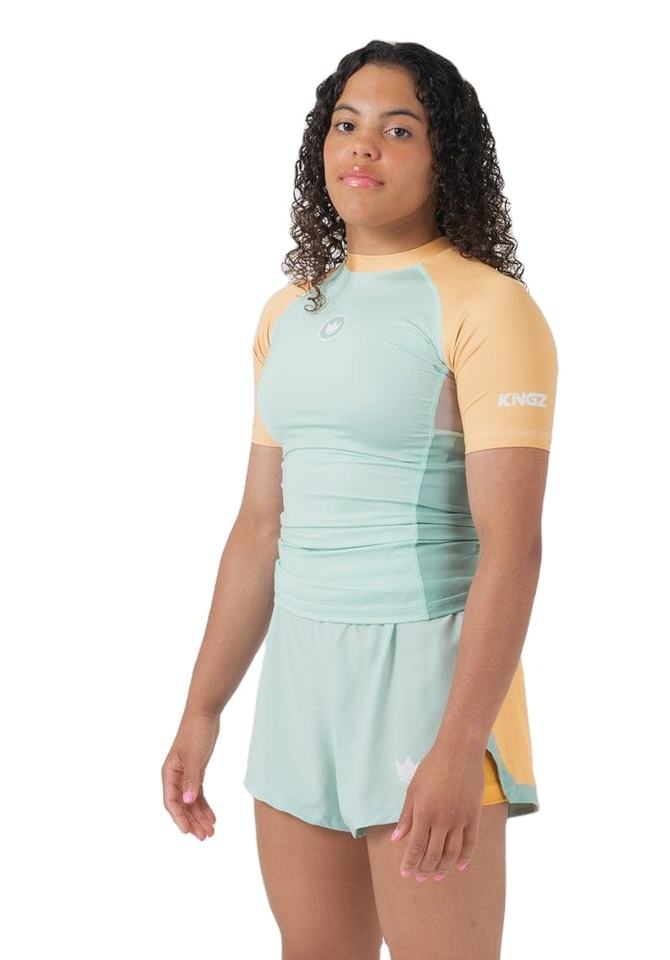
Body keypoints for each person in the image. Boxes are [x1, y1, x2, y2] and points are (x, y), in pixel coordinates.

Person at [162, 40, 558, 960]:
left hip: (429, 685)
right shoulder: (287, 312)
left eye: (399, 129)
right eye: (346, 124)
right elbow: (260, 528)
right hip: (299, 684)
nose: (364, 146)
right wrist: (203, 706)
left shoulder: (489, 308)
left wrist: (459, 746)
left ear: (445, 156)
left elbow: (514, 547)